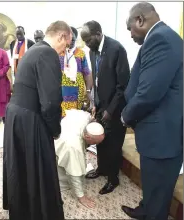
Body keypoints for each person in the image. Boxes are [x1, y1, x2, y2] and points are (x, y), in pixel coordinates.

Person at [3, 21, 72, 220]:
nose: (63, 51)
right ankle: (38, 211)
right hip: (29, 118)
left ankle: (23, 207)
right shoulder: (47, 53)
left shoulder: (34, 50)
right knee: (38, 167)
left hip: (16, 113)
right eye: (66, 45)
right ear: (61, 37)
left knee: (22, 166)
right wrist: (54, 129)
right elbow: (50, 101)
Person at [121, 3, 183, 220]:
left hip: (163, 136)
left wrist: (125, 115)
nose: (130, 34)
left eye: (130, 28)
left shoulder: (161, 40)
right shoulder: (161, 37)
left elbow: (148, 93)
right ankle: (145, 208)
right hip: (156, 133)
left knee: (159, 191)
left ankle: (152, 212)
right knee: (153, 184)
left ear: (140, 19)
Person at [80, 21, 130, 194]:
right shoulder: (93, 51)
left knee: (114, 144)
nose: (86, 44)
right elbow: (96, 81)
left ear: (98, 34)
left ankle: (113, 179)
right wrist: (95, 103)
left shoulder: (117, 49)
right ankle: (101, 169)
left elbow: (123, 86)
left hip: (116, 107)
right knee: (99, 139)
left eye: (88, 40)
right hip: (102, 105)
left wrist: (111, 110)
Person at [55, 109, 104, 209]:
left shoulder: (86, 118)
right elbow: (74, 174)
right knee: (69, 168)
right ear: (87, 136)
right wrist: (81, 196)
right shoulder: (74, 146)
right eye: (94, 142)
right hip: (61, 145)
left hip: (63, 135)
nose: (96, 145)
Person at [59, 26, 93, 117]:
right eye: (69, 39)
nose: (71, 41)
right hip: (62, 94)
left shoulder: (81, 53)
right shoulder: (58, 53)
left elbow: (87, 73)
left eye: (73, 39)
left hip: (78, 93)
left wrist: (88, 92)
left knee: (76, 121)